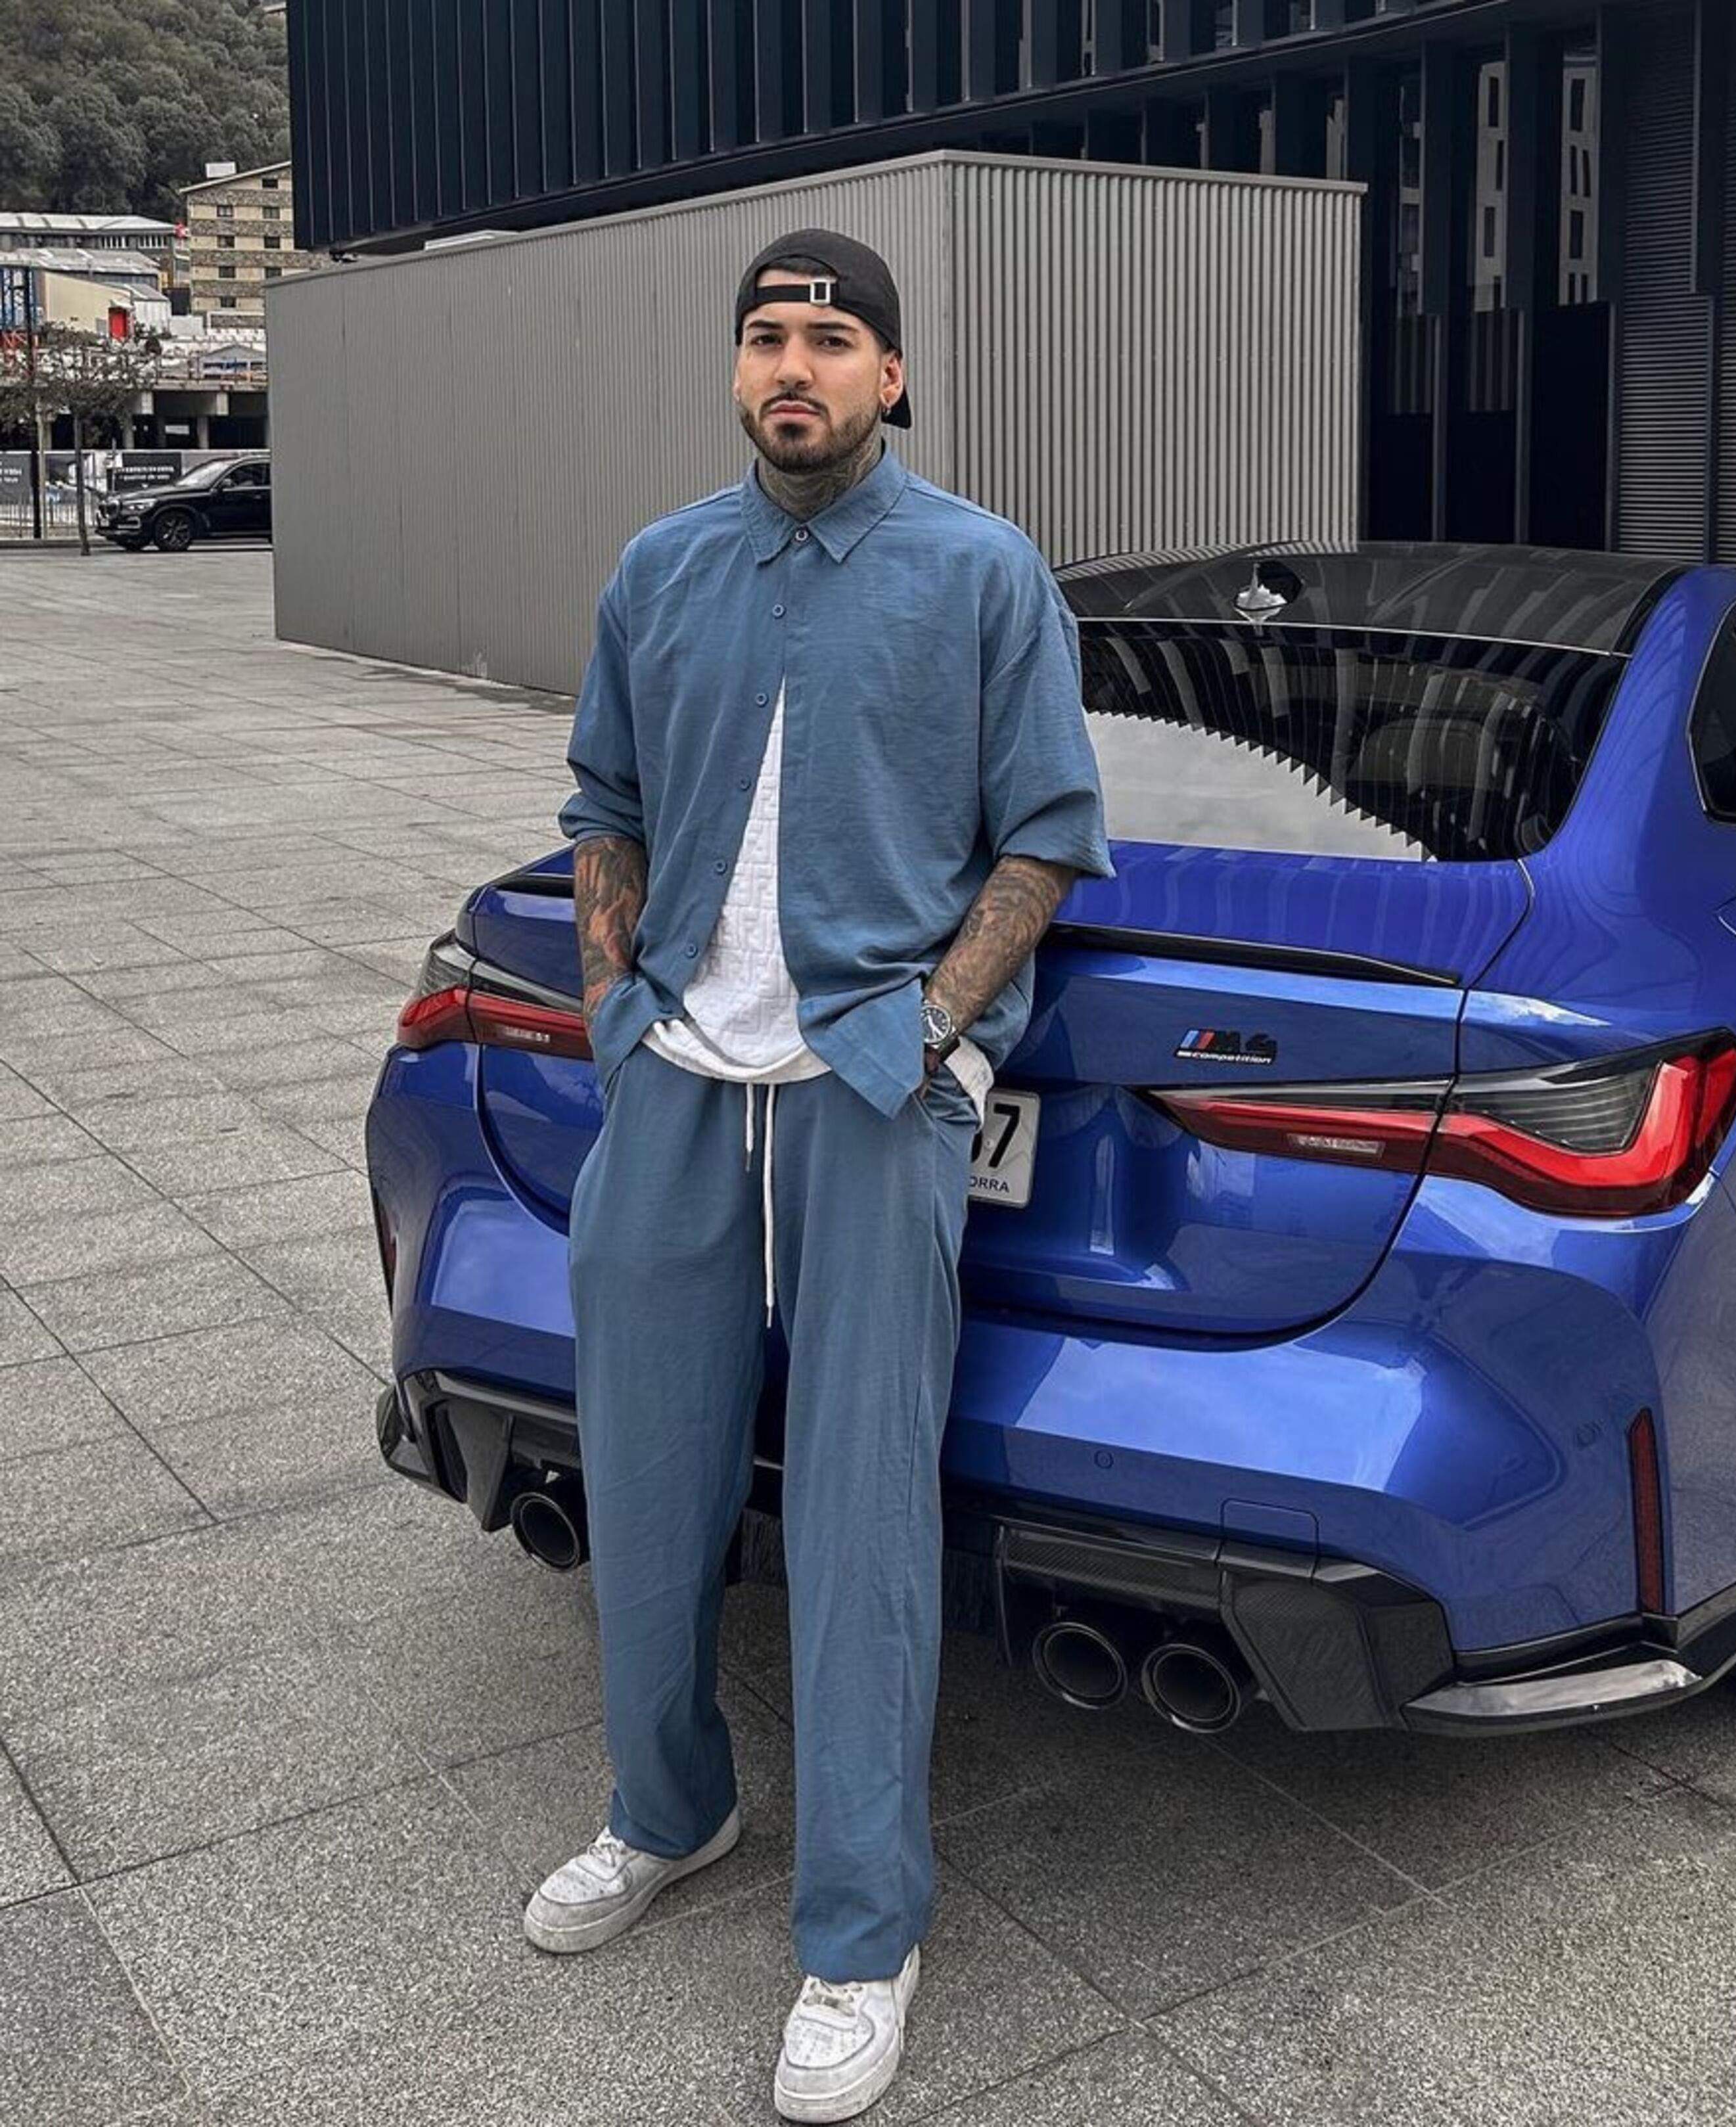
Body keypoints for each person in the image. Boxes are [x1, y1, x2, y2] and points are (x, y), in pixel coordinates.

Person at [529, 229, 1112, 2124]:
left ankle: (862, 1933)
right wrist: (622, 1010)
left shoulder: (981, 572)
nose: (798, 364)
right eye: (769, 337)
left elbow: (1041, 840)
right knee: (649, 1473)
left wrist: (931, 1037)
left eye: (834, 337)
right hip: (679, 1090)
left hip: (874, 1093)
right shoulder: (662, 570)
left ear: (894, 378)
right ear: (738, 372)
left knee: (862, 1521)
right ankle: (662, 1813)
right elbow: (601, 802)